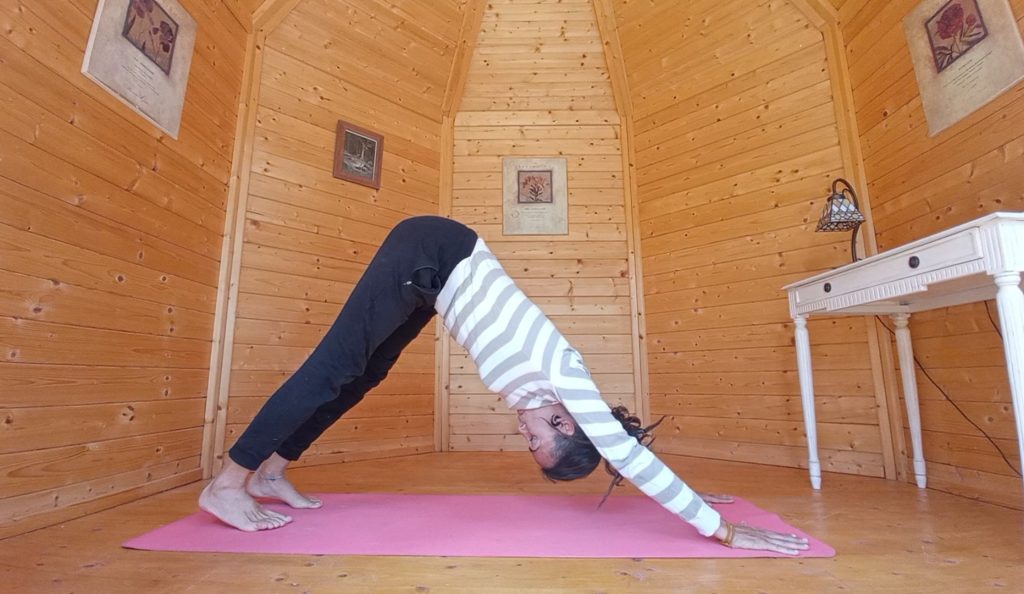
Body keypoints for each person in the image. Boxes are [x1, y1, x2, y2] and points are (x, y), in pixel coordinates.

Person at [199, 216, 809, 555]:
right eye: (538, 439)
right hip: (435, 251)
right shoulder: (565, 379)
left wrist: (697, 493)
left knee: (363, 375)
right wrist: (718, 528)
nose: (524, 434)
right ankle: (228, 485)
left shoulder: (547, 398)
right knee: (334, 367)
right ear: (565, 422)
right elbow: (623, 453)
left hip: (436, 281)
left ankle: (272, 471)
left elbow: (621, 452)